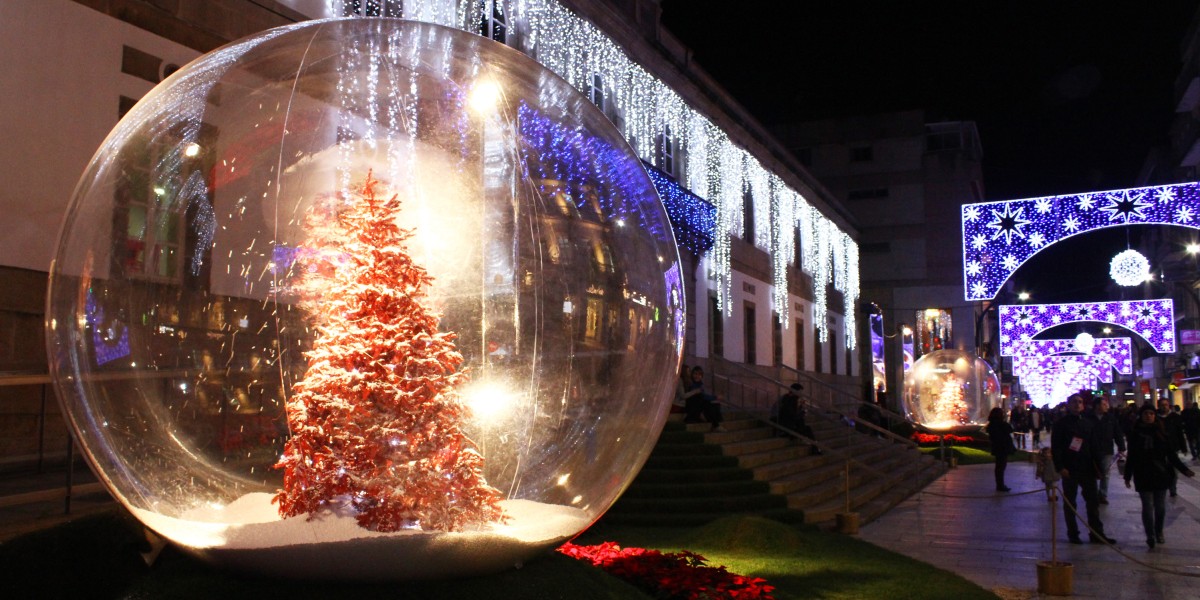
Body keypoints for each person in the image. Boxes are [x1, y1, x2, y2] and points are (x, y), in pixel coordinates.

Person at [1125, 403, 1196, 549]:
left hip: (1160, 473)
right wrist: (1127, 475)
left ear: (1154, 415)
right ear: (1141, 416)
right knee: (1147, 506)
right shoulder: (1135, 433)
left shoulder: (1162, 432)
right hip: (1142, 473)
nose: (1149, 416)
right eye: (1146, 414)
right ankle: (1150, 535)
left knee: (1160, 506)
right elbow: (1131, 456)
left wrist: (1184, 470)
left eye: (1151, 414)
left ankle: (1159, 532)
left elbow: (1171, 455)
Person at [1052, 394, 1116, 545]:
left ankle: (1096, 533)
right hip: (1070, 468)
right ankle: (1073, 533)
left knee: (1093, 502)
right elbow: (1057, 447)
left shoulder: (1088, 423)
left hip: (1087, 468)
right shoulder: (1061, 424)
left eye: (1080, 402)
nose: (1077, 404)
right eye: (1074, 402)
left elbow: (1095, 446)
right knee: (1070, 503)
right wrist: (1060, 467)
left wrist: (1099, 468)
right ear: (1068, 405)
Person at [1084, 397, 1125, 505]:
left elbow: (1117, 432)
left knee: (1105, 473)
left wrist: (1121, 446)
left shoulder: (1110, 418)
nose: (1107, 406)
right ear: (1097, 406)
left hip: (1107, 449)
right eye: (1104, 404)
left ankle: (1102, 494)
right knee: (1091, 472)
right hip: (1091, 450)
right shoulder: (1088, 418)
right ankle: (1093, 493)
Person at [776, 383, 821, 454]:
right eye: (800, 392)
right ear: (795, 391)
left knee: (805, 427)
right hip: (786, 427)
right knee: (807, 429)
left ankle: (815, 446)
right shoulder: (788, 400)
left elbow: (795, 415)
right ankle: (815, 447)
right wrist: (802, 411)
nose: (801, 394)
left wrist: (801, 408)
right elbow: (792, 415)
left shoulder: (792, 399)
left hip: (791, 424)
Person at [1156, 398, 1186, 497]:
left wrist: (1183, 447)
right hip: (1159, 448)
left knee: (1173, 470)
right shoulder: (1155, 417)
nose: (1164, 407)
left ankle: (1172, 488)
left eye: (1166, 405)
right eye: (1162, 405)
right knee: (1161, 469)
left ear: (1169, 406)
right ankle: (1163, 487)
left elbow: (1179, 433)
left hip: (1173, 447)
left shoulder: (1175, 417)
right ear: (1159, 406)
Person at [682, 366, 724, 432]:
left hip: (698, 405)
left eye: (699, 374)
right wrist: (715, 397)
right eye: (695, 374)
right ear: (692, 374)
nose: (697, 376)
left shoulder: (700, 385)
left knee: (712, 404)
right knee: (706, 402)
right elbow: (702, 397)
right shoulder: (691, 383)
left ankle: (715, 423)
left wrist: (714, 398)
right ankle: (715, 425)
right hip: (690, 406)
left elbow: (703, 396)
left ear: (702, 376)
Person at [986, 406, 1016, 492]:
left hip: (997, 447)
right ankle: (1000, 485)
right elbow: (1010, 429)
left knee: (999, 467)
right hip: (1002, 447)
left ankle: (999, 484)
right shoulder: (1001, 424)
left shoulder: (991, 425)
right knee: (1001, 467)